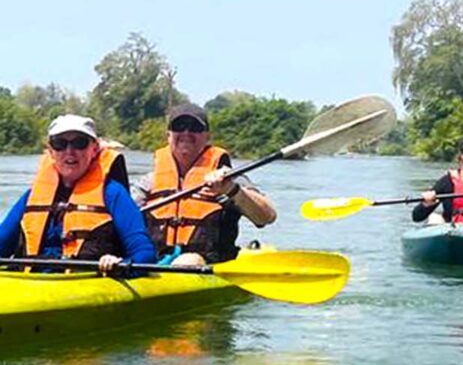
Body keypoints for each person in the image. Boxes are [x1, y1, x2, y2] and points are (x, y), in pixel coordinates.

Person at [0, 114, 156, 273]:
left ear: (94, 149)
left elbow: (145, 254)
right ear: (51, 151)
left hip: (87, 285)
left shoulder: (113, 194)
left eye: (79, 143)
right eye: (60, 144)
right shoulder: (31, 196)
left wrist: (119, 265)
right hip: (31, 285)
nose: (70, 151)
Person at [133, 103, 277, 266]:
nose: (186, 133)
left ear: (207, 136)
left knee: (187, 261)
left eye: (195, 127)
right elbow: (120, 217)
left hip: (208, 263)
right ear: (168, 135)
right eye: (179, 126)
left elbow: (267, 216)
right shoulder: (148, 182)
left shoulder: (228, 178)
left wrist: (232, 190)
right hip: (154, 262)